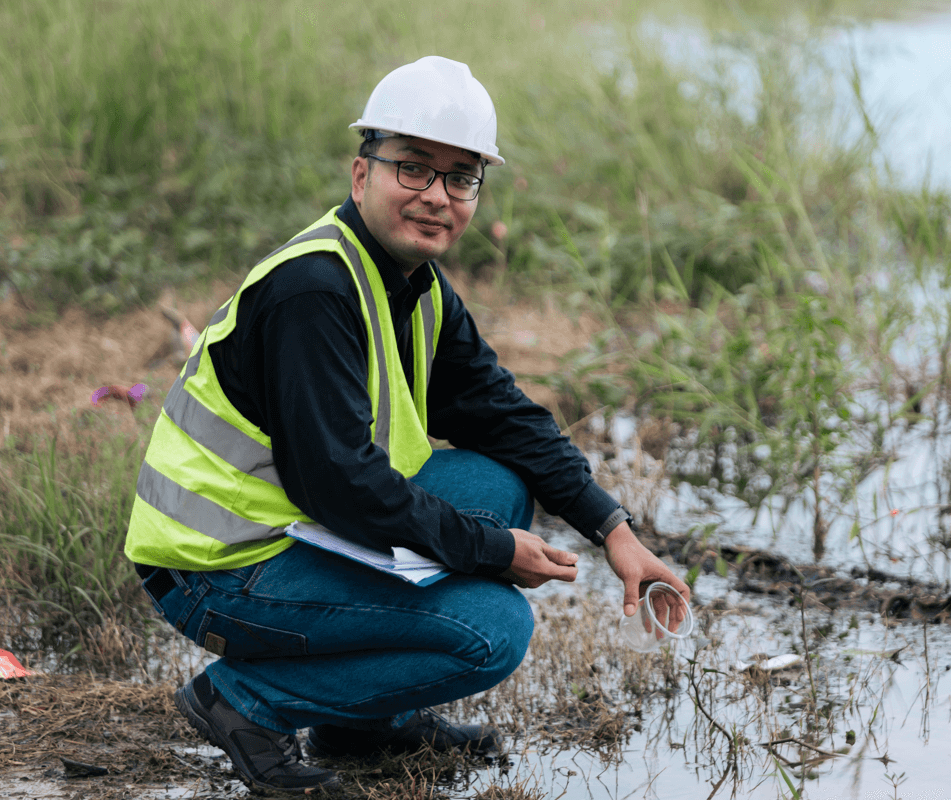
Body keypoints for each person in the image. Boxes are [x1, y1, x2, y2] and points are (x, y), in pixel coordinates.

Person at [124, 55, 690, 795]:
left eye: (461, 177)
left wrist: (614, 530)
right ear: (362, 175)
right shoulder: (313, 290)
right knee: (493, 630)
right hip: (214, 567)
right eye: (413, 169)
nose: (437, 196)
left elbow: (503, 413)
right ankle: (240, 702)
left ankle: (362, 723)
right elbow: (339, 485)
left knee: (497, 480)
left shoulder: (418, 287)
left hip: (291, 526)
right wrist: (490, 552)